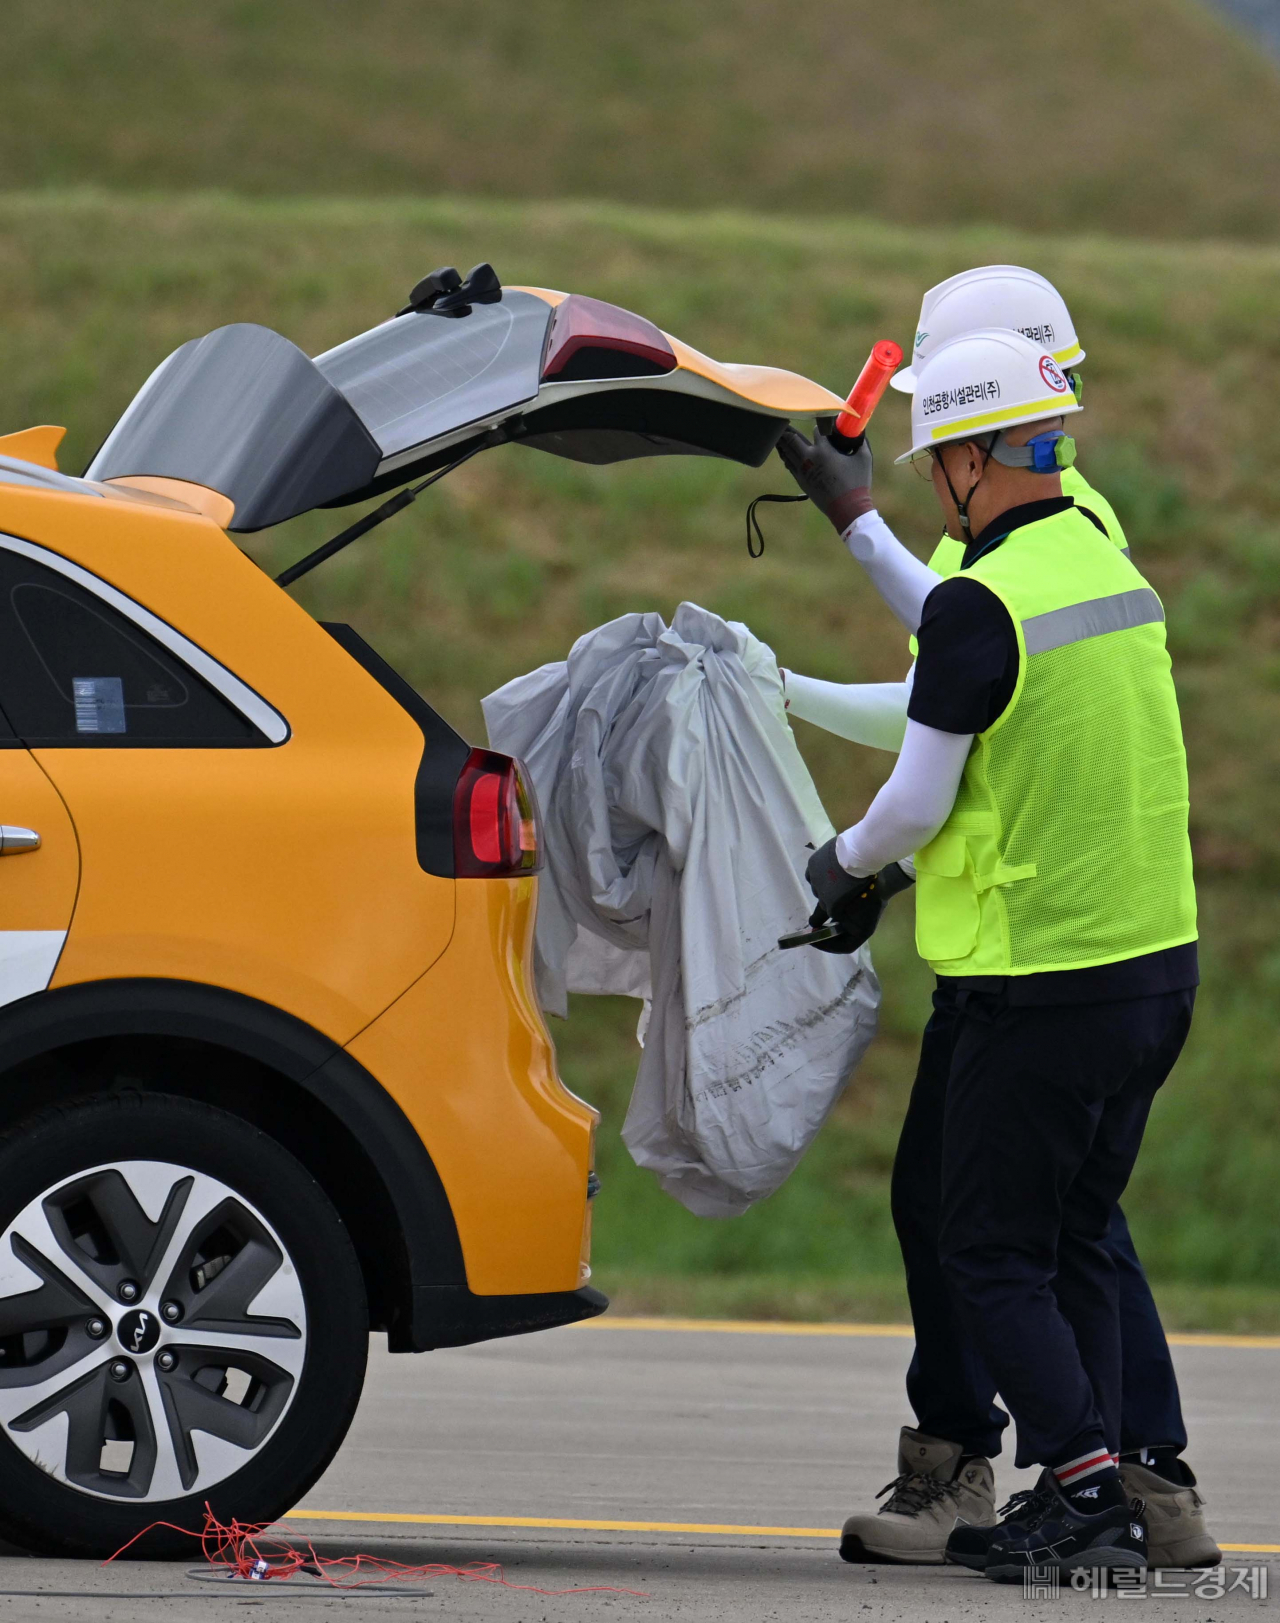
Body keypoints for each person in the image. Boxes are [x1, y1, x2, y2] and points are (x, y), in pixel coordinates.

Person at [779, 271, 1218, 1574]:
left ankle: (1080, 1493)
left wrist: (840, 867)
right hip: (1151, 972)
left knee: (988, 1243)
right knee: (1067, 1230)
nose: (926, 483)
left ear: (971, 457)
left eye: (932, 460)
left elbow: (917, 789)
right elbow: (964, 647)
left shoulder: (991, 597)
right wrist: (855, 521)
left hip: (1041, 980)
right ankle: (1138, 1490)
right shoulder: (1088, 545)